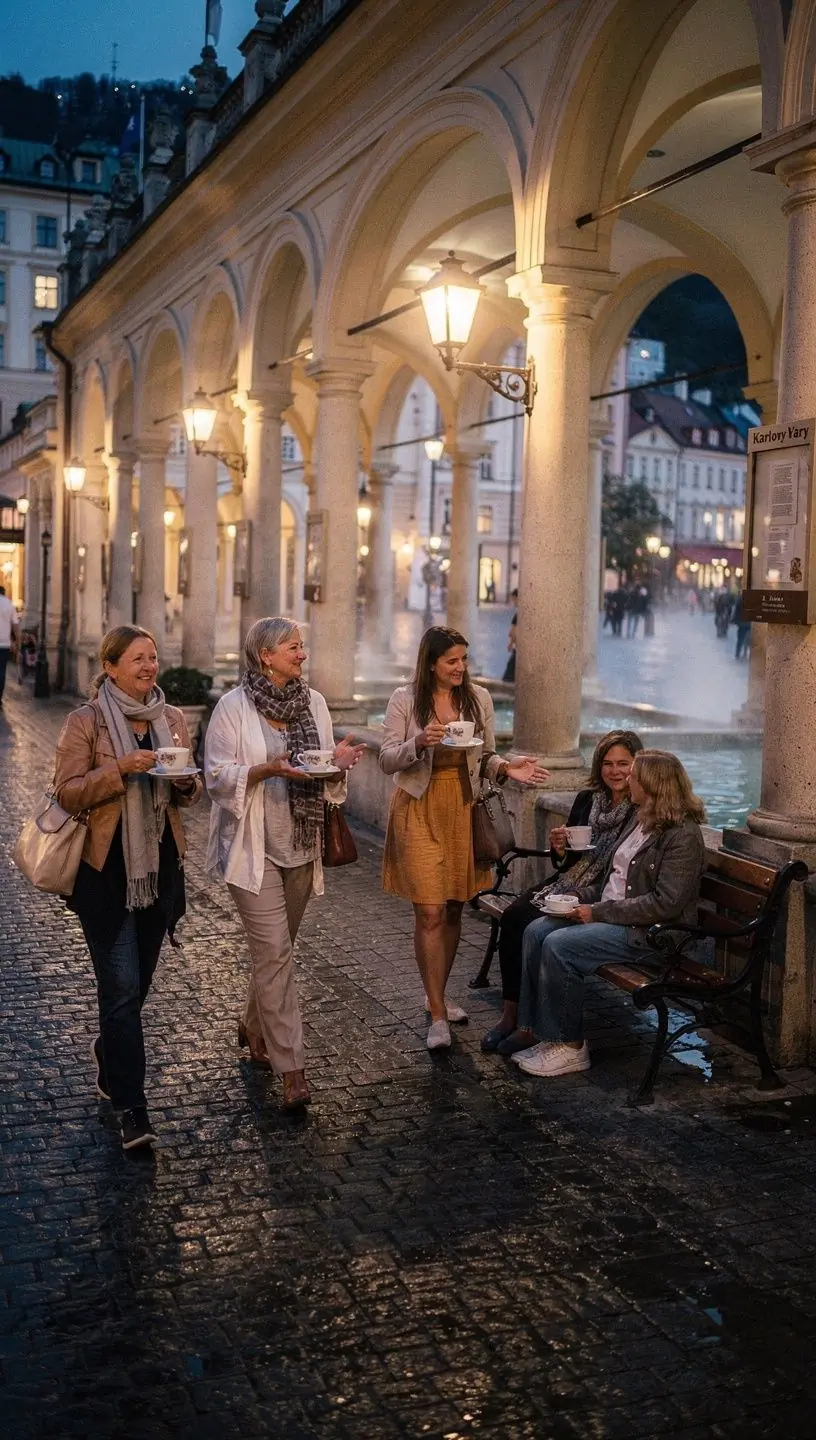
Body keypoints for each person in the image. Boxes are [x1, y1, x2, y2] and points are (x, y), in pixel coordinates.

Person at [204, 617, 364, 1111]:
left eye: (302, 645)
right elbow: (216, 776)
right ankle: (292, 1068)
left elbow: (325, 773)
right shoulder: (233, 707)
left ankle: (253, 1024)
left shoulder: (314, 703)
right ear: (265, 655)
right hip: (251, 850)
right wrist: (264, 770)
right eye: (293, 647)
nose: (302, 654)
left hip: (301, 844)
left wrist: (336, 765)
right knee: (275, 952)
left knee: (276, 952)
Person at [54, 625, 202, 1150]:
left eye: (152, 657)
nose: (148, 666)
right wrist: (119, 769)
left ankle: (109, 1051)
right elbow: (66, 792)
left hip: (158, 873)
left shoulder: (172, 718)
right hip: (106, 875)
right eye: (137, 658)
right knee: (119, 989)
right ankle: (131, 1107)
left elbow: (189, 792)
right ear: (110, 666)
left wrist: (186, 783)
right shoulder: (86, 721)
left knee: (137, 988)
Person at [380, 625, 550, 1050]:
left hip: (463, 809)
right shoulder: (405, 699)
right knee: (429, 912)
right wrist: (419, 742)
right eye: (451, 660)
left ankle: (435, 992)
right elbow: (386, 759)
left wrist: (507, 768)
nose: (460, 667)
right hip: (418, 808)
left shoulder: (478, 699)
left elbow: (486, 755)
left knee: (454, 907)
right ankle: (438, 1016)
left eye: (464, 659)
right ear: (431, 663)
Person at [507, 749, 706, 1078]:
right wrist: (577, 897)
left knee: (560, 945)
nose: (627, 780)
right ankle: (541, 1033)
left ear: (652, 785)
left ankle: (571, 1046)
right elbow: (614, 882)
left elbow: (665, 904)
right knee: (537, 930)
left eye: (634, 776)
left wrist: (596, 912)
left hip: (651, 934)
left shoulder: (682, 835)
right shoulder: (641, 820)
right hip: (616, 918)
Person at [481, 730, 644, 1054]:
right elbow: (567, 861)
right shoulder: (587, 800)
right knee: (514, 917)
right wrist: (559, 848)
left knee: (531, 924)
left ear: (637, 766)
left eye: (623, 763)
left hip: (599, 890)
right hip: (569, 880)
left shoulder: (638, 809)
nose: (615, 771)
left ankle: (533, 1023)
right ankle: (511, 1015)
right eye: (608, 763)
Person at [0, 584, 20, 707]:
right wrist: (17, 641)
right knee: (2, 670)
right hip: (4, 643)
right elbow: (15, 625)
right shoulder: (9, 604)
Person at [502, 589, 518, 682]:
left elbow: (514, 631)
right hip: (517, 648)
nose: (513, 602)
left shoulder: (519, 614)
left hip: (517, 649)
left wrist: (511, 643)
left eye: (514, 599)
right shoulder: (519, 613)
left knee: (509, 675)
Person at [732, 594, 751, 660]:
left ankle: (738, 654)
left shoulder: (740, 599)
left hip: (742, 623)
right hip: (749, 623)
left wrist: (735, 620)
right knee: (748, 639)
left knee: (740, 639)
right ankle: (745, 653)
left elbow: (736, 611)